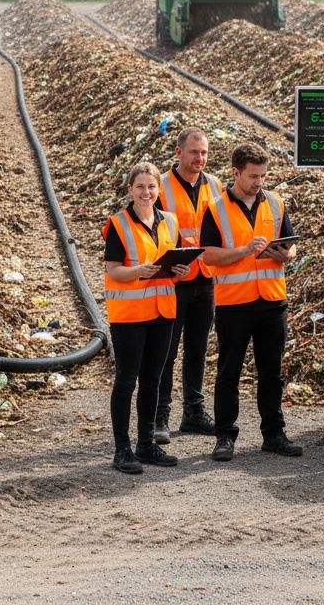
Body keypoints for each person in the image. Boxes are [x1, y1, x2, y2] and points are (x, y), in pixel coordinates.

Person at [200, 142, 302, 461]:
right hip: (234, 304)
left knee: (271, 373)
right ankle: (225, 436)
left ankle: (274, 434)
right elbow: (208, 254)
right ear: (236, 173)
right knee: (229, 373)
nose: (259, 182)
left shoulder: (274, 203)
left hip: (272, 301)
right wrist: (244, 251)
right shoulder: (216, 209)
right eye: (253, 176)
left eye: (263, 175)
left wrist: (285, 253)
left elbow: (292, 246)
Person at [103, 162, 191, 474]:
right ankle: (122, 449)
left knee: (152, 380)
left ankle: (145, 444)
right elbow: (113, 269)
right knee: (127, 380)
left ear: (158, 190)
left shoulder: (169, 222)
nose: (146, 192)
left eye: (151, 187)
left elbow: (176, 263)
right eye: (140, 187)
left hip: (162, 312)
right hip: (129, 315)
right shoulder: (118, 224)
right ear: (130, 189)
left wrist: (182, 270)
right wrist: (138, 272)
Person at [153, 128, 221, 444]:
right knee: (165, 351)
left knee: (197, 350)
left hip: (205, 278)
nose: (200, 158)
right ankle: (158, 417)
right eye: (194, 152)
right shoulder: (161, 186)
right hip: (173, 280)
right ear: (179, 153)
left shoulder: (215, 185)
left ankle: (194, 413)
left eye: (204, 152)